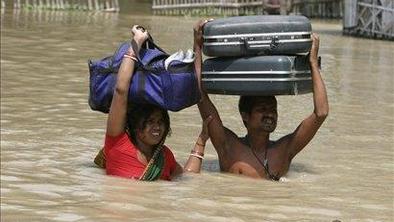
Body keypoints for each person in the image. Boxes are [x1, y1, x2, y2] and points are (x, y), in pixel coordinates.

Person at [193, 20, 329, 181]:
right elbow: (199, 94)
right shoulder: (228, 146)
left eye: (273, 109)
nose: (270, 114)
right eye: (262, 109)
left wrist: (313, 63)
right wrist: (197, 46)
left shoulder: (285, 149)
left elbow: (321, 113)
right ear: (245, 116)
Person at [95, 25, 212, 181]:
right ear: (136, 126)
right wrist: (136, 42)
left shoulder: (164, 157)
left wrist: (202, 139)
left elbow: (187, 177)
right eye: (150, 121)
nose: (157, 126)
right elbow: (121, 91)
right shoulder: (118, 143)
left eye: (161, 121)